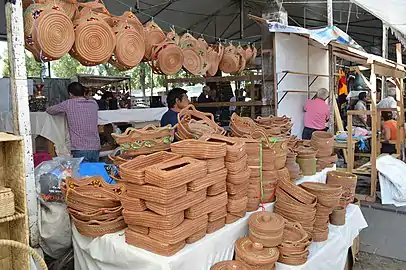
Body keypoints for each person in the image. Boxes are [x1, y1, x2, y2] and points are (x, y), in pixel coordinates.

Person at [46, 82, 100, 162]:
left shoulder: (68, 104)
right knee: (94, 173)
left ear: (70, 94)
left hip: (79, 149)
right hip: (95, 147)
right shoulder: (94, 103)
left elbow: (50, 110)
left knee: (81, 174)